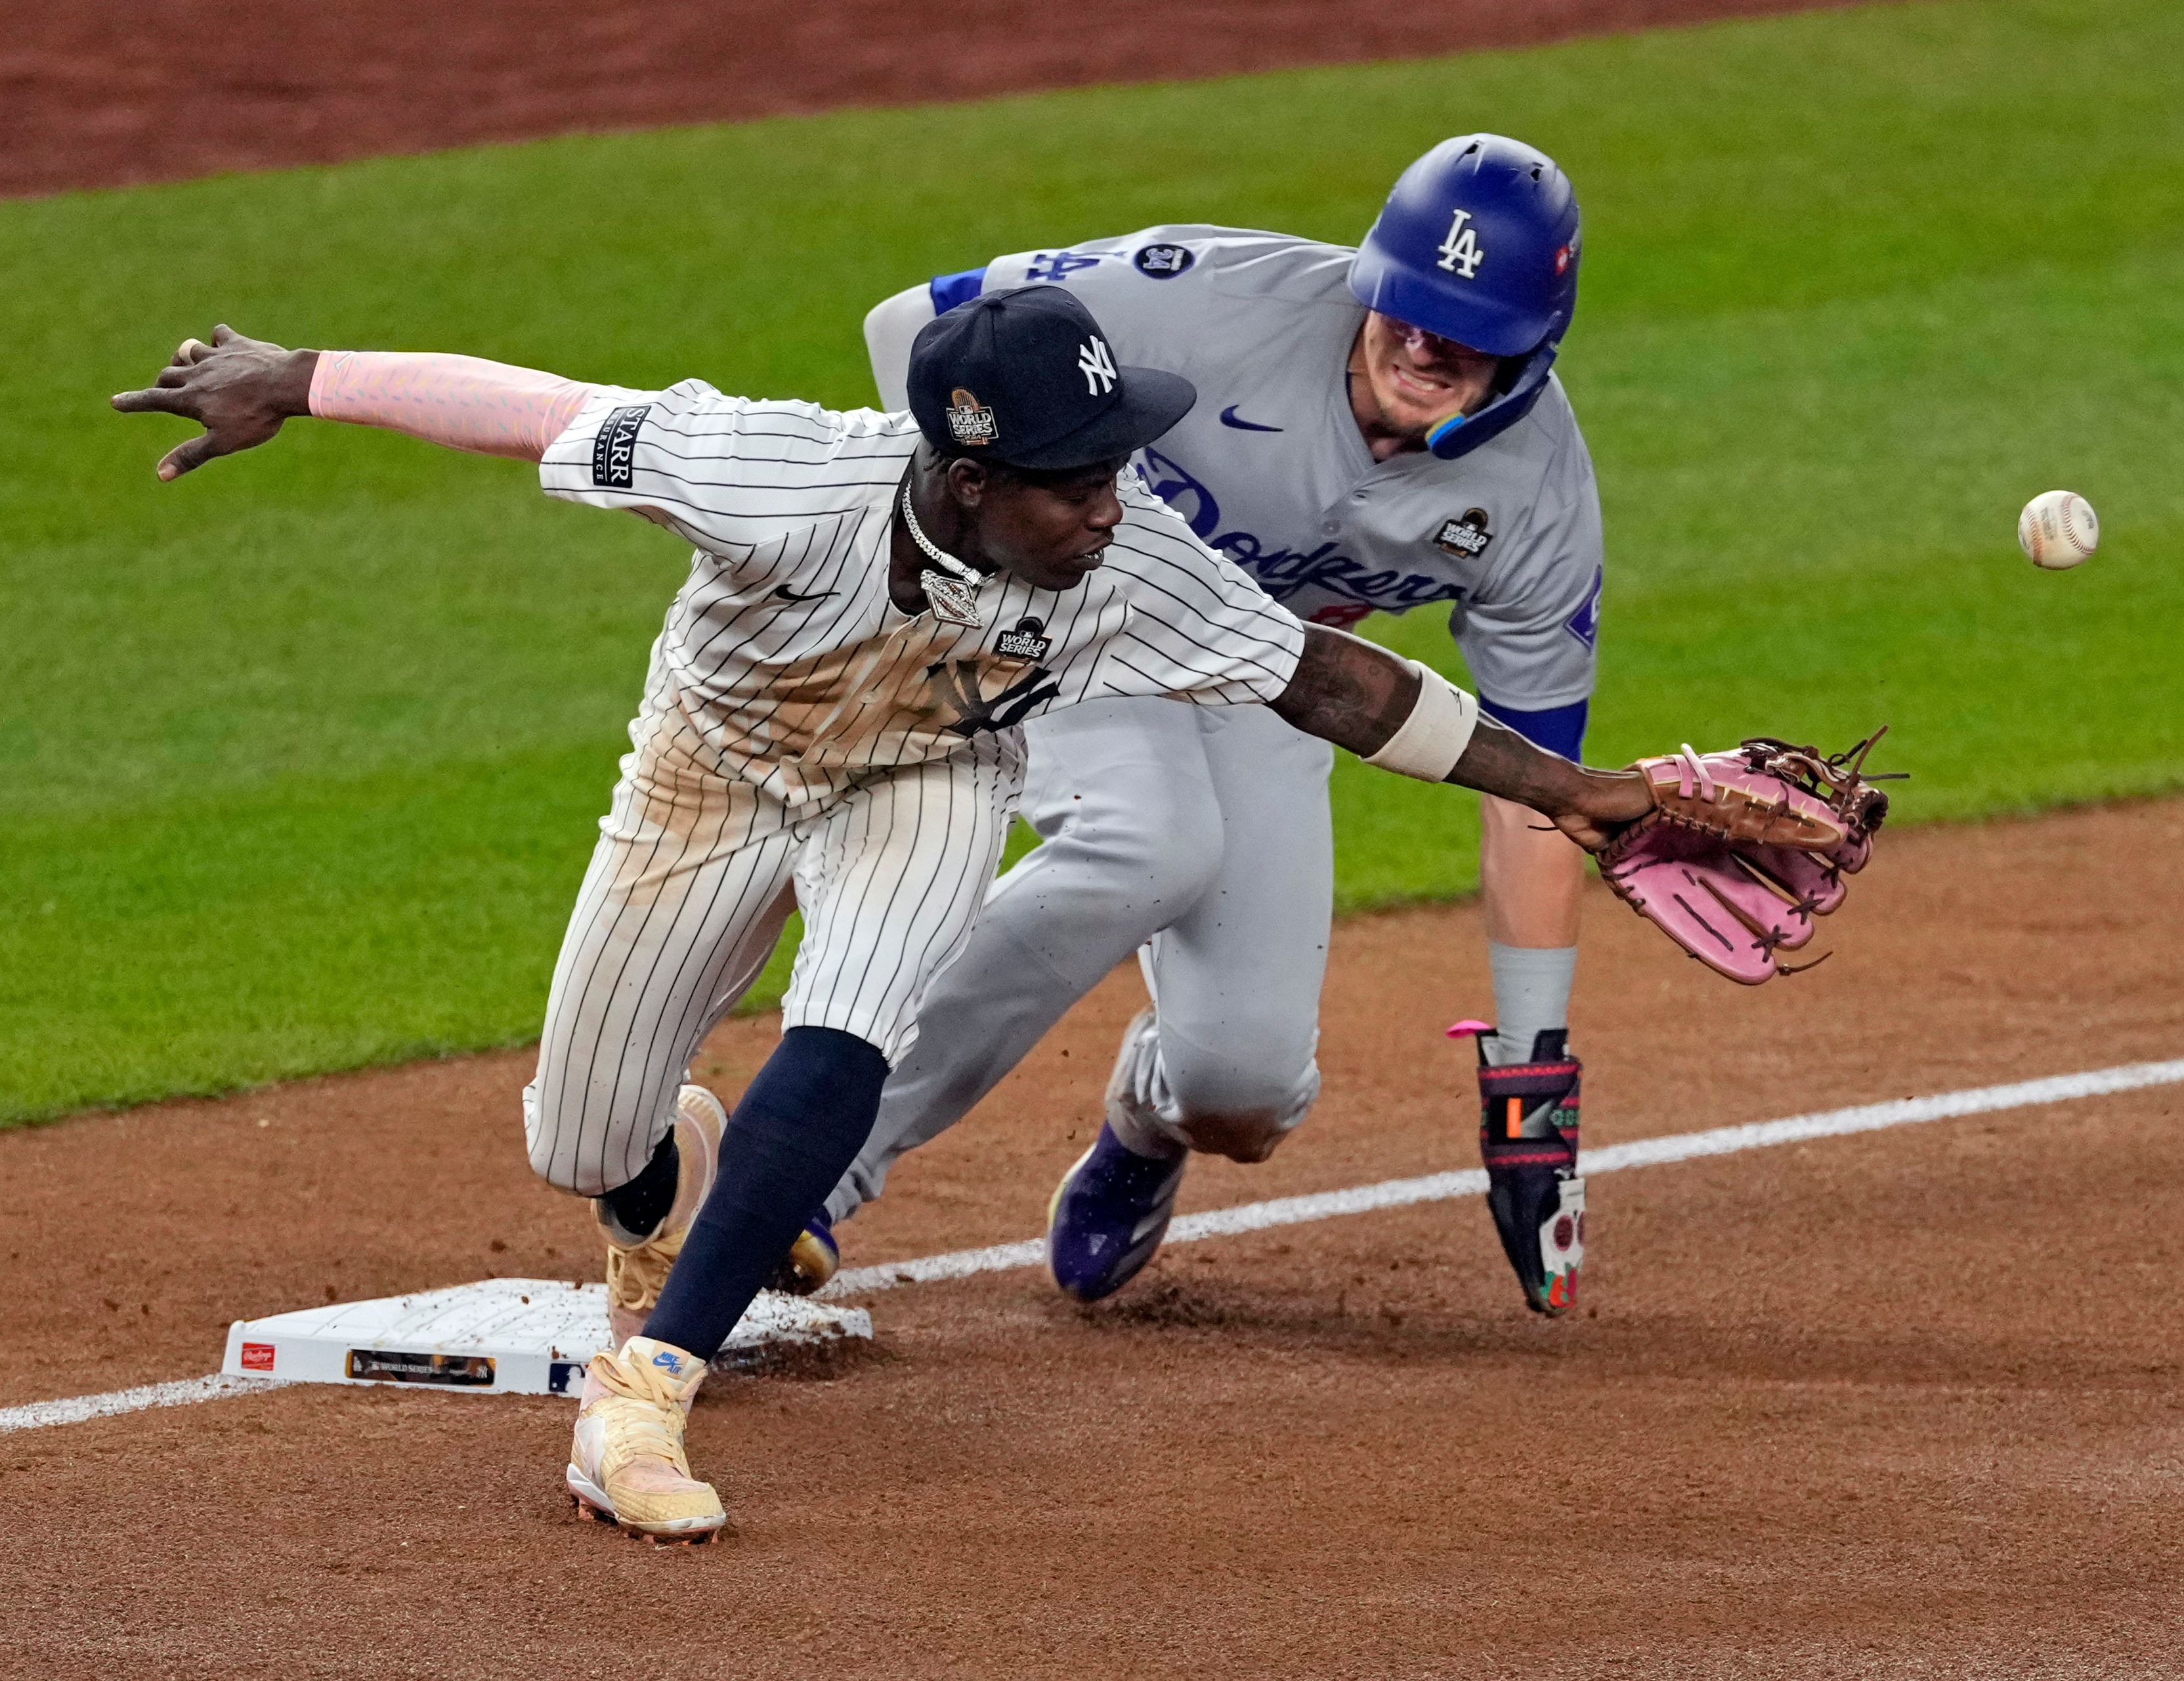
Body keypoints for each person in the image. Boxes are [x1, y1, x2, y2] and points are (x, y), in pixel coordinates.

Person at [113, 283, 1661, 1540]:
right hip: (708, 779)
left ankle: (646, 1388)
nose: (1115, 507)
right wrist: (301, 374)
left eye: (1118, 468)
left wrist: (1568, 790)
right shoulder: (769, 474)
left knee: (851, 1015)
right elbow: (542, 410)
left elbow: (1329, 674)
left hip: (924, 781)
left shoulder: (1129, 562)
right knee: (580, 1143)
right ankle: (674, 1186)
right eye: (1079, 480)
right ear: (970, 477)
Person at [818, 135, 1606, 1312]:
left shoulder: (1537, 499)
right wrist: (964, 526)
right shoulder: (1202, 299)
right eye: (1408, 305)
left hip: (1279, 682)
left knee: (1244, 1088)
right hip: (1077, 614)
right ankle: (818, 1165)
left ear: (1532, 350)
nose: (1427, 342)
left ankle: (1145, 1122)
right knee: (1144, 841)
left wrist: (1532, 1078)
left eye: (1470, 328)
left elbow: (1536, 789)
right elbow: (906, 327)